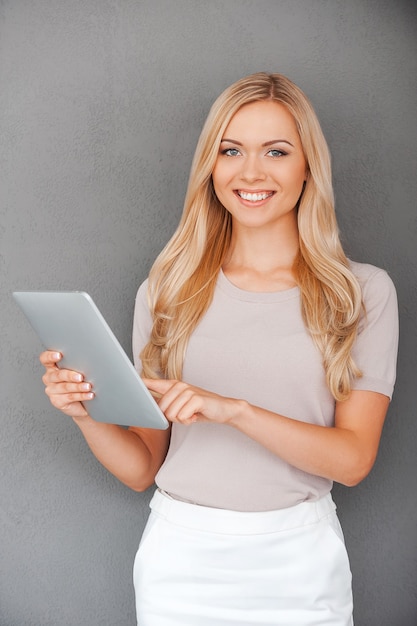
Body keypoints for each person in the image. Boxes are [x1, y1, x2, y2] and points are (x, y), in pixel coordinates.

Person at [40, 72, 398, 625]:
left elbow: (353, 461)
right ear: (211, 164)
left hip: (299, 561)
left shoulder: (361, 292)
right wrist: (85, 415)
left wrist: (233, 411)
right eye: (231, 150)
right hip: (180, 561)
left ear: (309, 166)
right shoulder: (167, 290)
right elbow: (142, 469)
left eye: (276, 151)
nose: (250, 172)